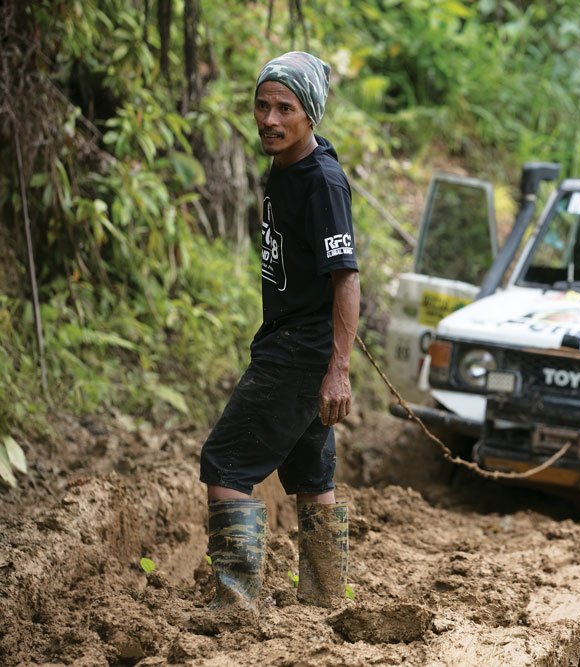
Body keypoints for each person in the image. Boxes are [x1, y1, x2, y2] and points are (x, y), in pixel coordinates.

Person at [198, 51, 360, 612]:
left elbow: (346, 277)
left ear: (309, 114)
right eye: (262, 106)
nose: (269, 119)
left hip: (299, 351)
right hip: (293, 343)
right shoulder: (287, 166)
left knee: (225, 461)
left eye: (284, 108)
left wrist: (337, 370)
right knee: (310, 473)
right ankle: (325, 599)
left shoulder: (322, 182)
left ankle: (234, 606)